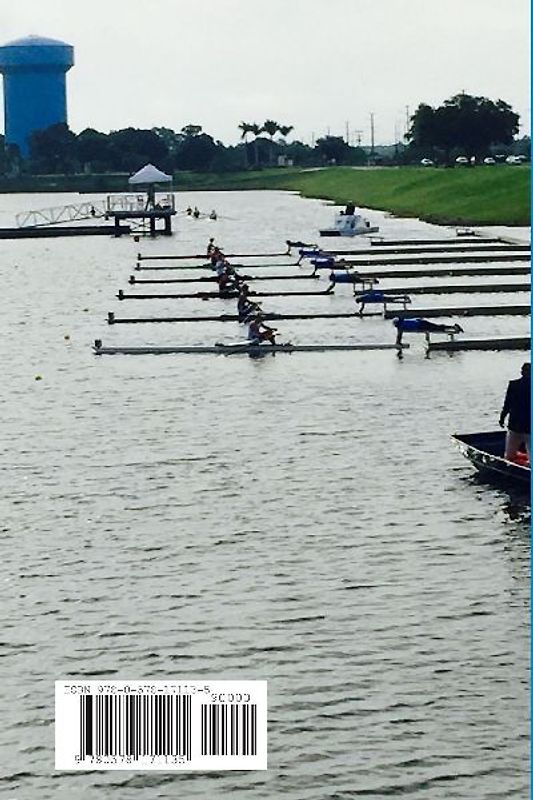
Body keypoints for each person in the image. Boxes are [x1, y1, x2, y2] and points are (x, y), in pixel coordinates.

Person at [499, 363, 530, 462]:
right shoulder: (514, 385)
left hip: (515, 425)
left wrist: (502, 418)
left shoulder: (514, 385)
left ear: (521, 372)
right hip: (523, 427)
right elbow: (507, 403)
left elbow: (507, 404)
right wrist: (502, 418)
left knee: (509, 456)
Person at [392, 317, 463, 346]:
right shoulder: (404, 321)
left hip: (421, 326)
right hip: (421, 322)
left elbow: (399, 336)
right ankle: (453, 327)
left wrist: (398, 343)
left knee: (437, 328)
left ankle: (453, 327)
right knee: (437, 326)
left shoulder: (400, 326)